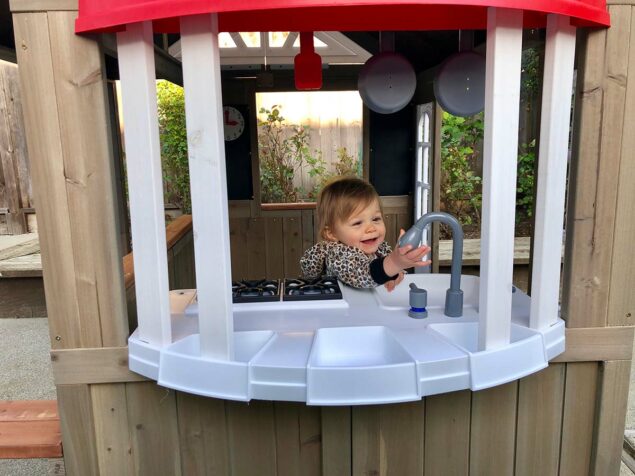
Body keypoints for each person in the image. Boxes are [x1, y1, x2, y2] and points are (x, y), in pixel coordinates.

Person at [300, 177, 430, 291]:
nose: (371, 228)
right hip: (342, 316)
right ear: (332, 234)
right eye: (357, 223)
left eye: (376, 219)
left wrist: (396, 273)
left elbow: (384, 269)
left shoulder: (380, 248)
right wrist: (395, 263)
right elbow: (362, 274)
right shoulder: (337, 254)